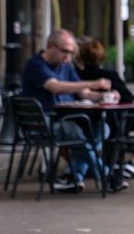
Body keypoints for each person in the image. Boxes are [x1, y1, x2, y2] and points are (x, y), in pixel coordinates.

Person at [20, 29, 116, 192]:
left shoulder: (67, 66)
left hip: (68, 119)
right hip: (43, 123)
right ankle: (106, 176)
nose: (68, 56)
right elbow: (55, 87)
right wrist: (91, 83)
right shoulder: (35, 65)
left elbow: (83, 93)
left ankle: (73, 177)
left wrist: (104, 95)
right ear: (51, 46)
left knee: (102, 128)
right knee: (74, 131)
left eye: (71, 53)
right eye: (65, 51)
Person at [76, 39, 134, 180]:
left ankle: (95, 165)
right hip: (114, 122)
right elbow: (128, 98)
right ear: (102, 57)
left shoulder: (76, 76)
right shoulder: (109, 77)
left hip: (83, 119)